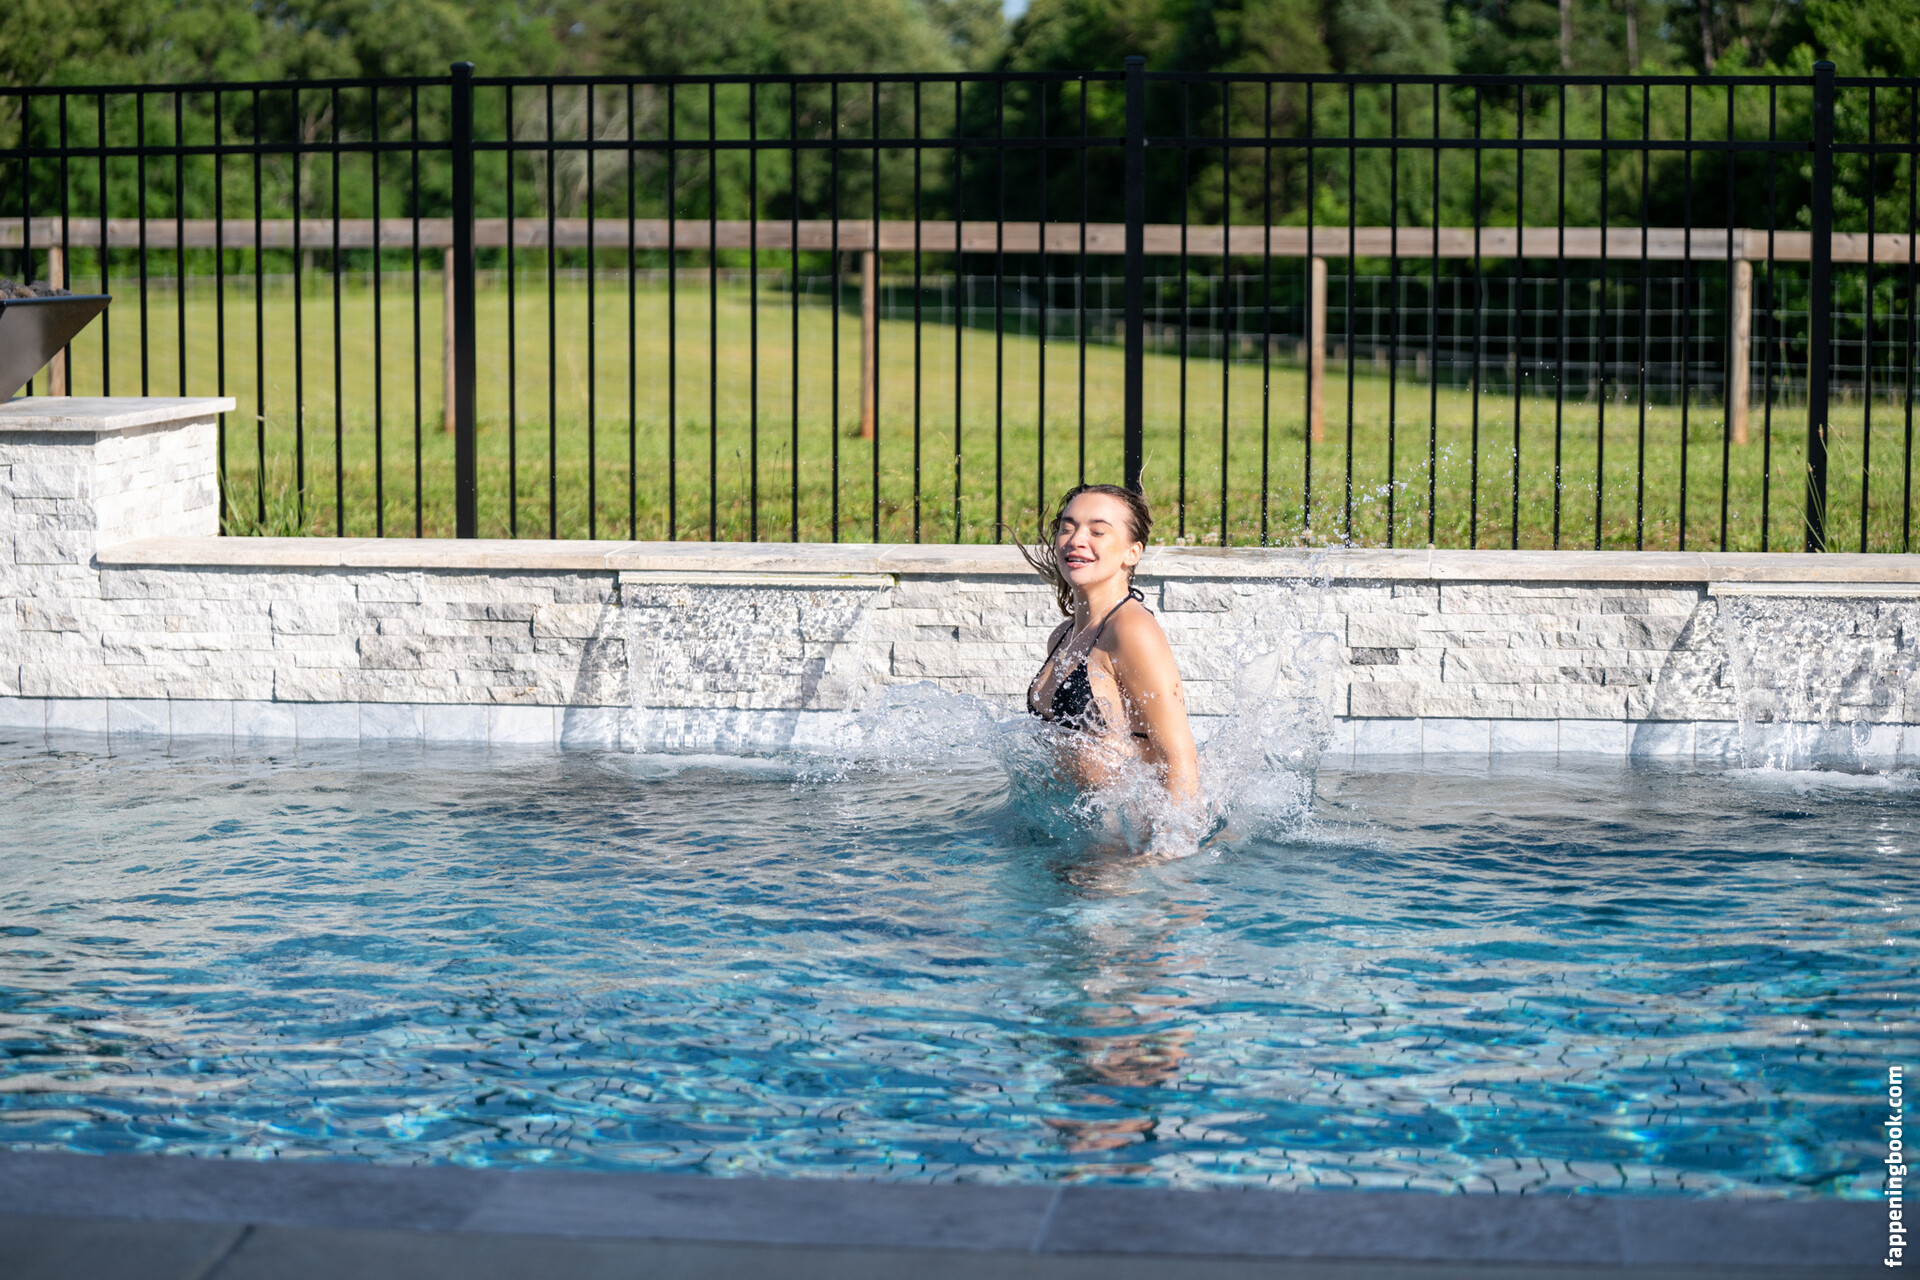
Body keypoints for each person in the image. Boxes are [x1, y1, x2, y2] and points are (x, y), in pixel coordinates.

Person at [1018, 485, 1201, 843]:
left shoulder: (1131, 630)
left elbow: (1179, 756)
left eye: (1098, 531)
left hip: (1123, 844)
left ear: (1132, 553)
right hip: (1069, 835)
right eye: (1067, 527)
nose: (1076, 540)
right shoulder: (1063, 636)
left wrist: (1169, 853)